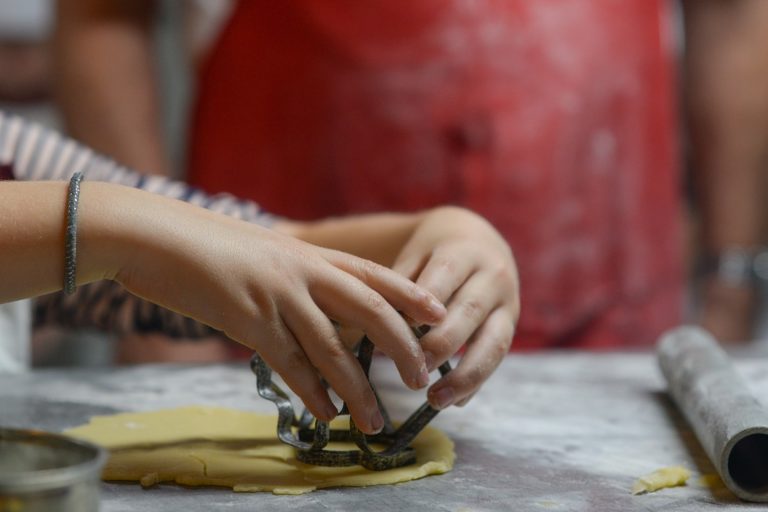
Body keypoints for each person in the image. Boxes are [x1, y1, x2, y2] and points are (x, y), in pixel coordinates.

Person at [53, 0, 768, 347]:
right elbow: (103, 17)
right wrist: (158, 301)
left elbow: (735, 16)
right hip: (275, 318)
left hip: (610, 294)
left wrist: (733, 278)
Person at [0, 111, 520, 433]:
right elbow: (146, 238)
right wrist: (113, 226)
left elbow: (257, 255)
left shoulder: (13, 157)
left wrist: (445, 234)